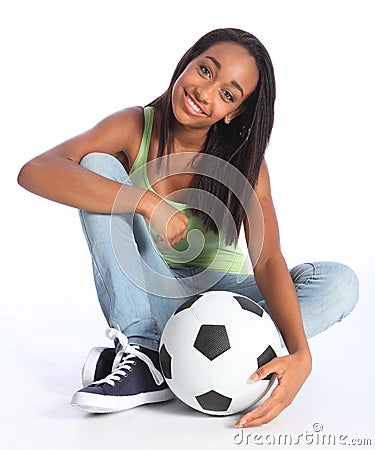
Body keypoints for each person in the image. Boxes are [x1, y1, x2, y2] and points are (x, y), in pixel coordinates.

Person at [17, 28, 359, 427]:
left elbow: (267, 260)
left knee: (340, 282)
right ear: (187, 62)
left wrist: (301, 353)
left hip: (224, 303)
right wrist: (147, 203)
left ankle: (177, 362)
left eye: (228, 94)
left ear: (233, 112)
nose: (205, 92)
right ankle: (147, 350)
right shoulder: (133, 126)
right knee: (96, 167)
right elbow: (36, 170)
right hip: (149, 293)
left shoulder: (245, 163)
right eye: (206, 71)